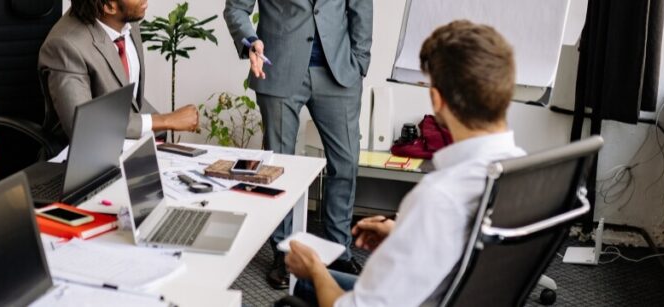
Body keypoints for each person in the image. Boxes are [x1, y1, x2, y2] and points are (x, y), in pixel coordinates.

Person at [284, 20, 527, 306]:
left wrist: (314, 267)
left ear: (436, 100)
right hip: (458, 292)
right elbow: (470, 248)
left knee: (304, 283)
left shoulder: (437, 196)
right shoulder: (523, 170)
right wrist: (405, 235)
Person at [224, 0, 373, 289]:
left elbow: (361, 8)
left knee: (346, 163)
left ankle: (338, 250)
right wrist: (251, 41)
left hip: (339, 72)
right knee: (280, 168)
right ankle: (284, 252)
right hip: (278, 68)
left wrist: (360, 62)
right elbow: (236, 8)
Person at [39, 0, 199, 139]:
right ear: (109, 6)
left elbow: (132, 100)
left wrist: (161, 129)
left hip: (128, 146)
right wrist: (165, 121)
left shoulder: (127, 21)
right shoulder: (66, 46)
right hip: (82, 160)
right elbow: (84, 128)